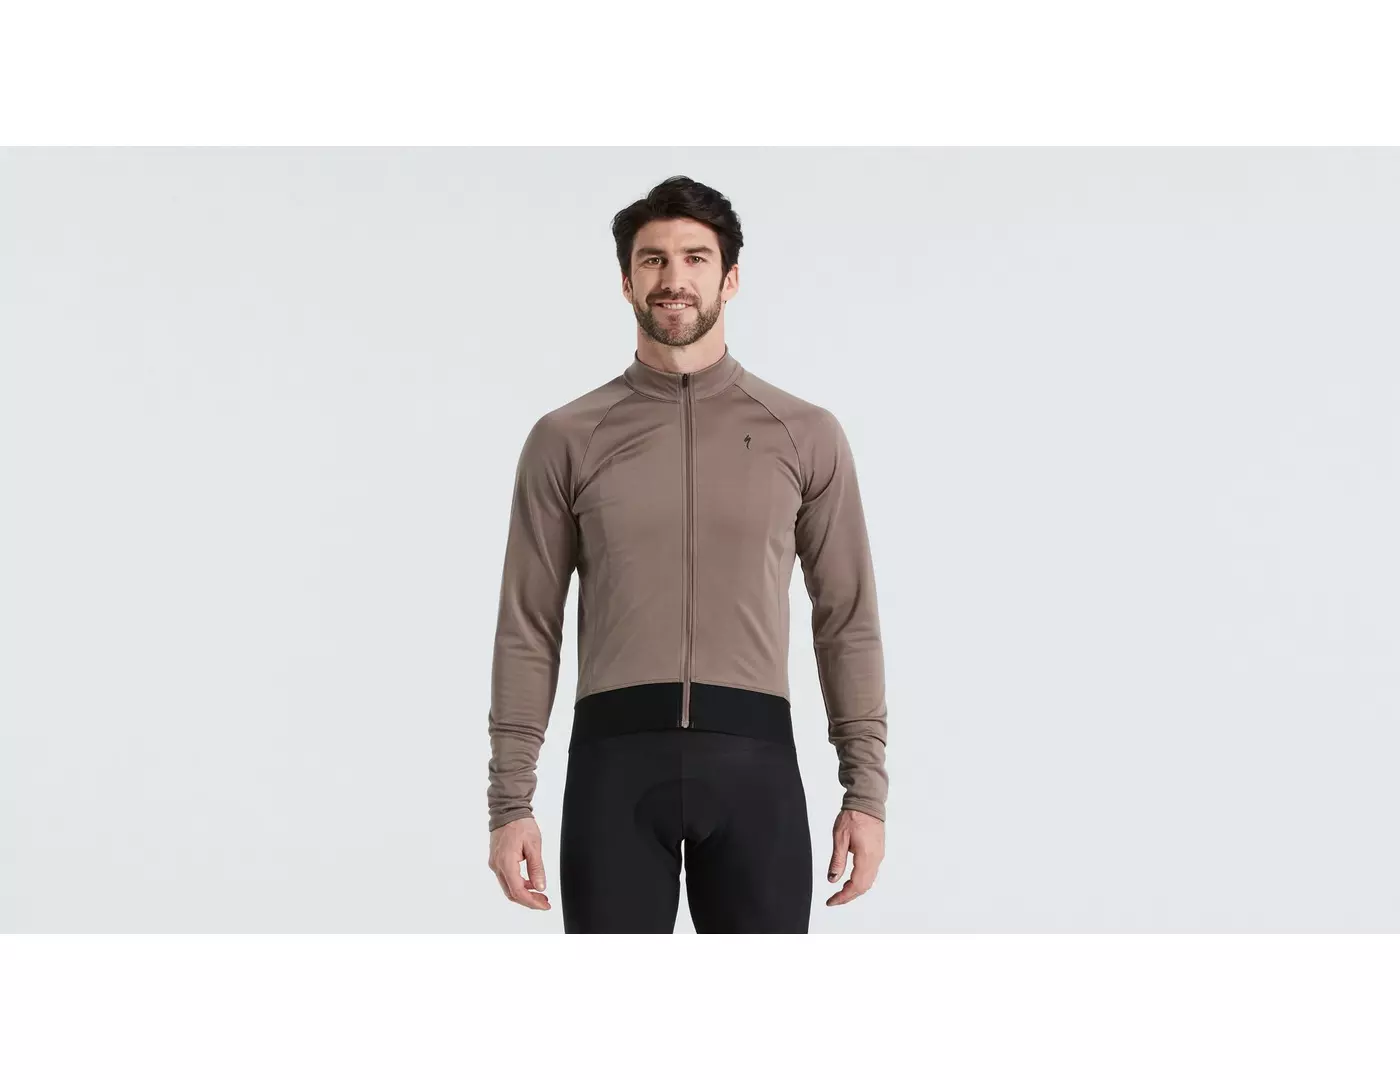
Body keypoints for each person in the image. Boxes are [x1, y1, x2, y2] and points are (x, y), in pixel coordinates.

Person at [484, 175, 888, 932]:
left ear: (730, 278)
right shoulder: (567, 437)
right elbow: (528, 627)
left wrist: (865, 793)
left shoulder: (804, 433)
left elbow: (846, 618)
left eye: (696, 258)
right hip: (612, 771)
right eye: (654, 259)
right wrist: (511, 803)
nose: (675, 278)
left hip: (755, 771)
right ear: (626, 280)